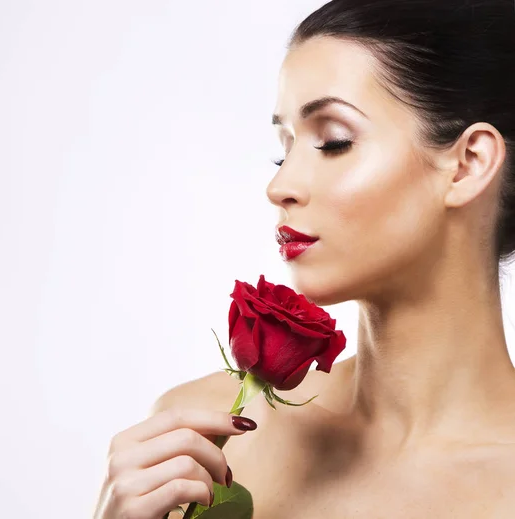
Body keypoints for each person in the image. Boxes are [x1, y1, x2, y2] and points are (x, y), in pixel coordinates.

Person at [93, 0, 515, 517]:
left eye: (334, 142)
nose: (279, 185)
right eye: (284, 147)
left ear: (468, 164)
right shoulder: (201, 439)